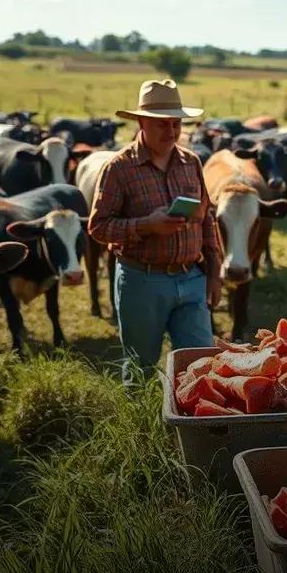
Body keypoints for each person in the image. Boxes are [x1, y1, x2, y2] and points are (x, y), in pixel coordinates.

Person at [87, 79, 223, 380]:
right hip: (141, 280)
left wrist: (214, 273)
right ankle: (139, 424)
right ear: (141, 122)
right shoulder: (119, 168)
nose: (172, 132)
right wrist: (147, 225)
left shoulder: (191, 162)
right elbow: (98, 228)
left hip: (191, 278)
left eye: (176, 124)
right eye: (162, 124)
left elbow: (206, 218)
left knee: (200, 365)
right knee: (140, 367)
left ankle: (192, 426)